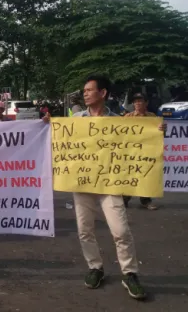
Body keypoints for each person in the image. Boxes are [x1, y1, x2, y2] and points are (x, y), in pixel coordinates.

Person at [68, 74, 163, 300]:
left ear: (103, 93)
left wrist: (157, 132)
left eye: (90, 90)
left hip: (110, 183)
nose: (85, 94)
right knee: (85, 230)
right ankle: (95, 268)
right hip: (83, 183)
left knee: (120, 230)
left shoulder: (120, 122)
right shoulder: (76, 120)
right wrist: (45, 126)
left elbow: (138, 143)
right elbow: (58, 140)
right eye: (84, 91)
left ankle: (129, 273)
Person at [122, 93, 159, 210]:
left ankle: (146, 201)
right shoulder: (127, 117)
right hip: (132, 151)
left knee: (146, 175)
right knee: (130, 175)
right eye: (135, 101)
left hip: (146, 151)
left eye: (140, 101)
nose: (137, 103)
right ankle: (124, 199)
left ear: (146, 103)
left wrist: (163, 129)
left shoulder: (152, 117)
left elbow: (159, 134)